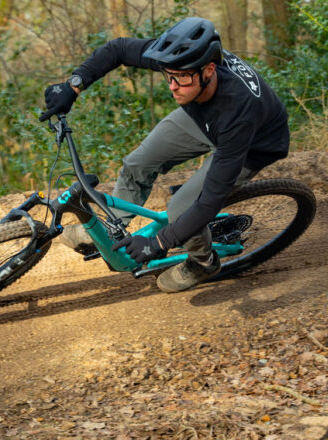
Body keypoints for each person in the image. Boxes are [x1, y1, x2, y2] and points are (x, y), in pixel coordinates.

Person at [38, 17, 290, 293]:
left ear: (208, 70)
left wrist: (157, 243)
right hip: (203, 114)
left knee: (182, 209)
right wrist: (73, 85)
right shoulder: (184, 64)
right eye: (168, 75)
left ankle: (204, 262)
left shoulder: (237, 113)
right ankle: (114, 228)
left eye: (181, 78)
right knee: (138, 163)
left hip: (253, 143)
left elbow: (209, 202)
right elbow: (119, 49)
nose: (172, 86)